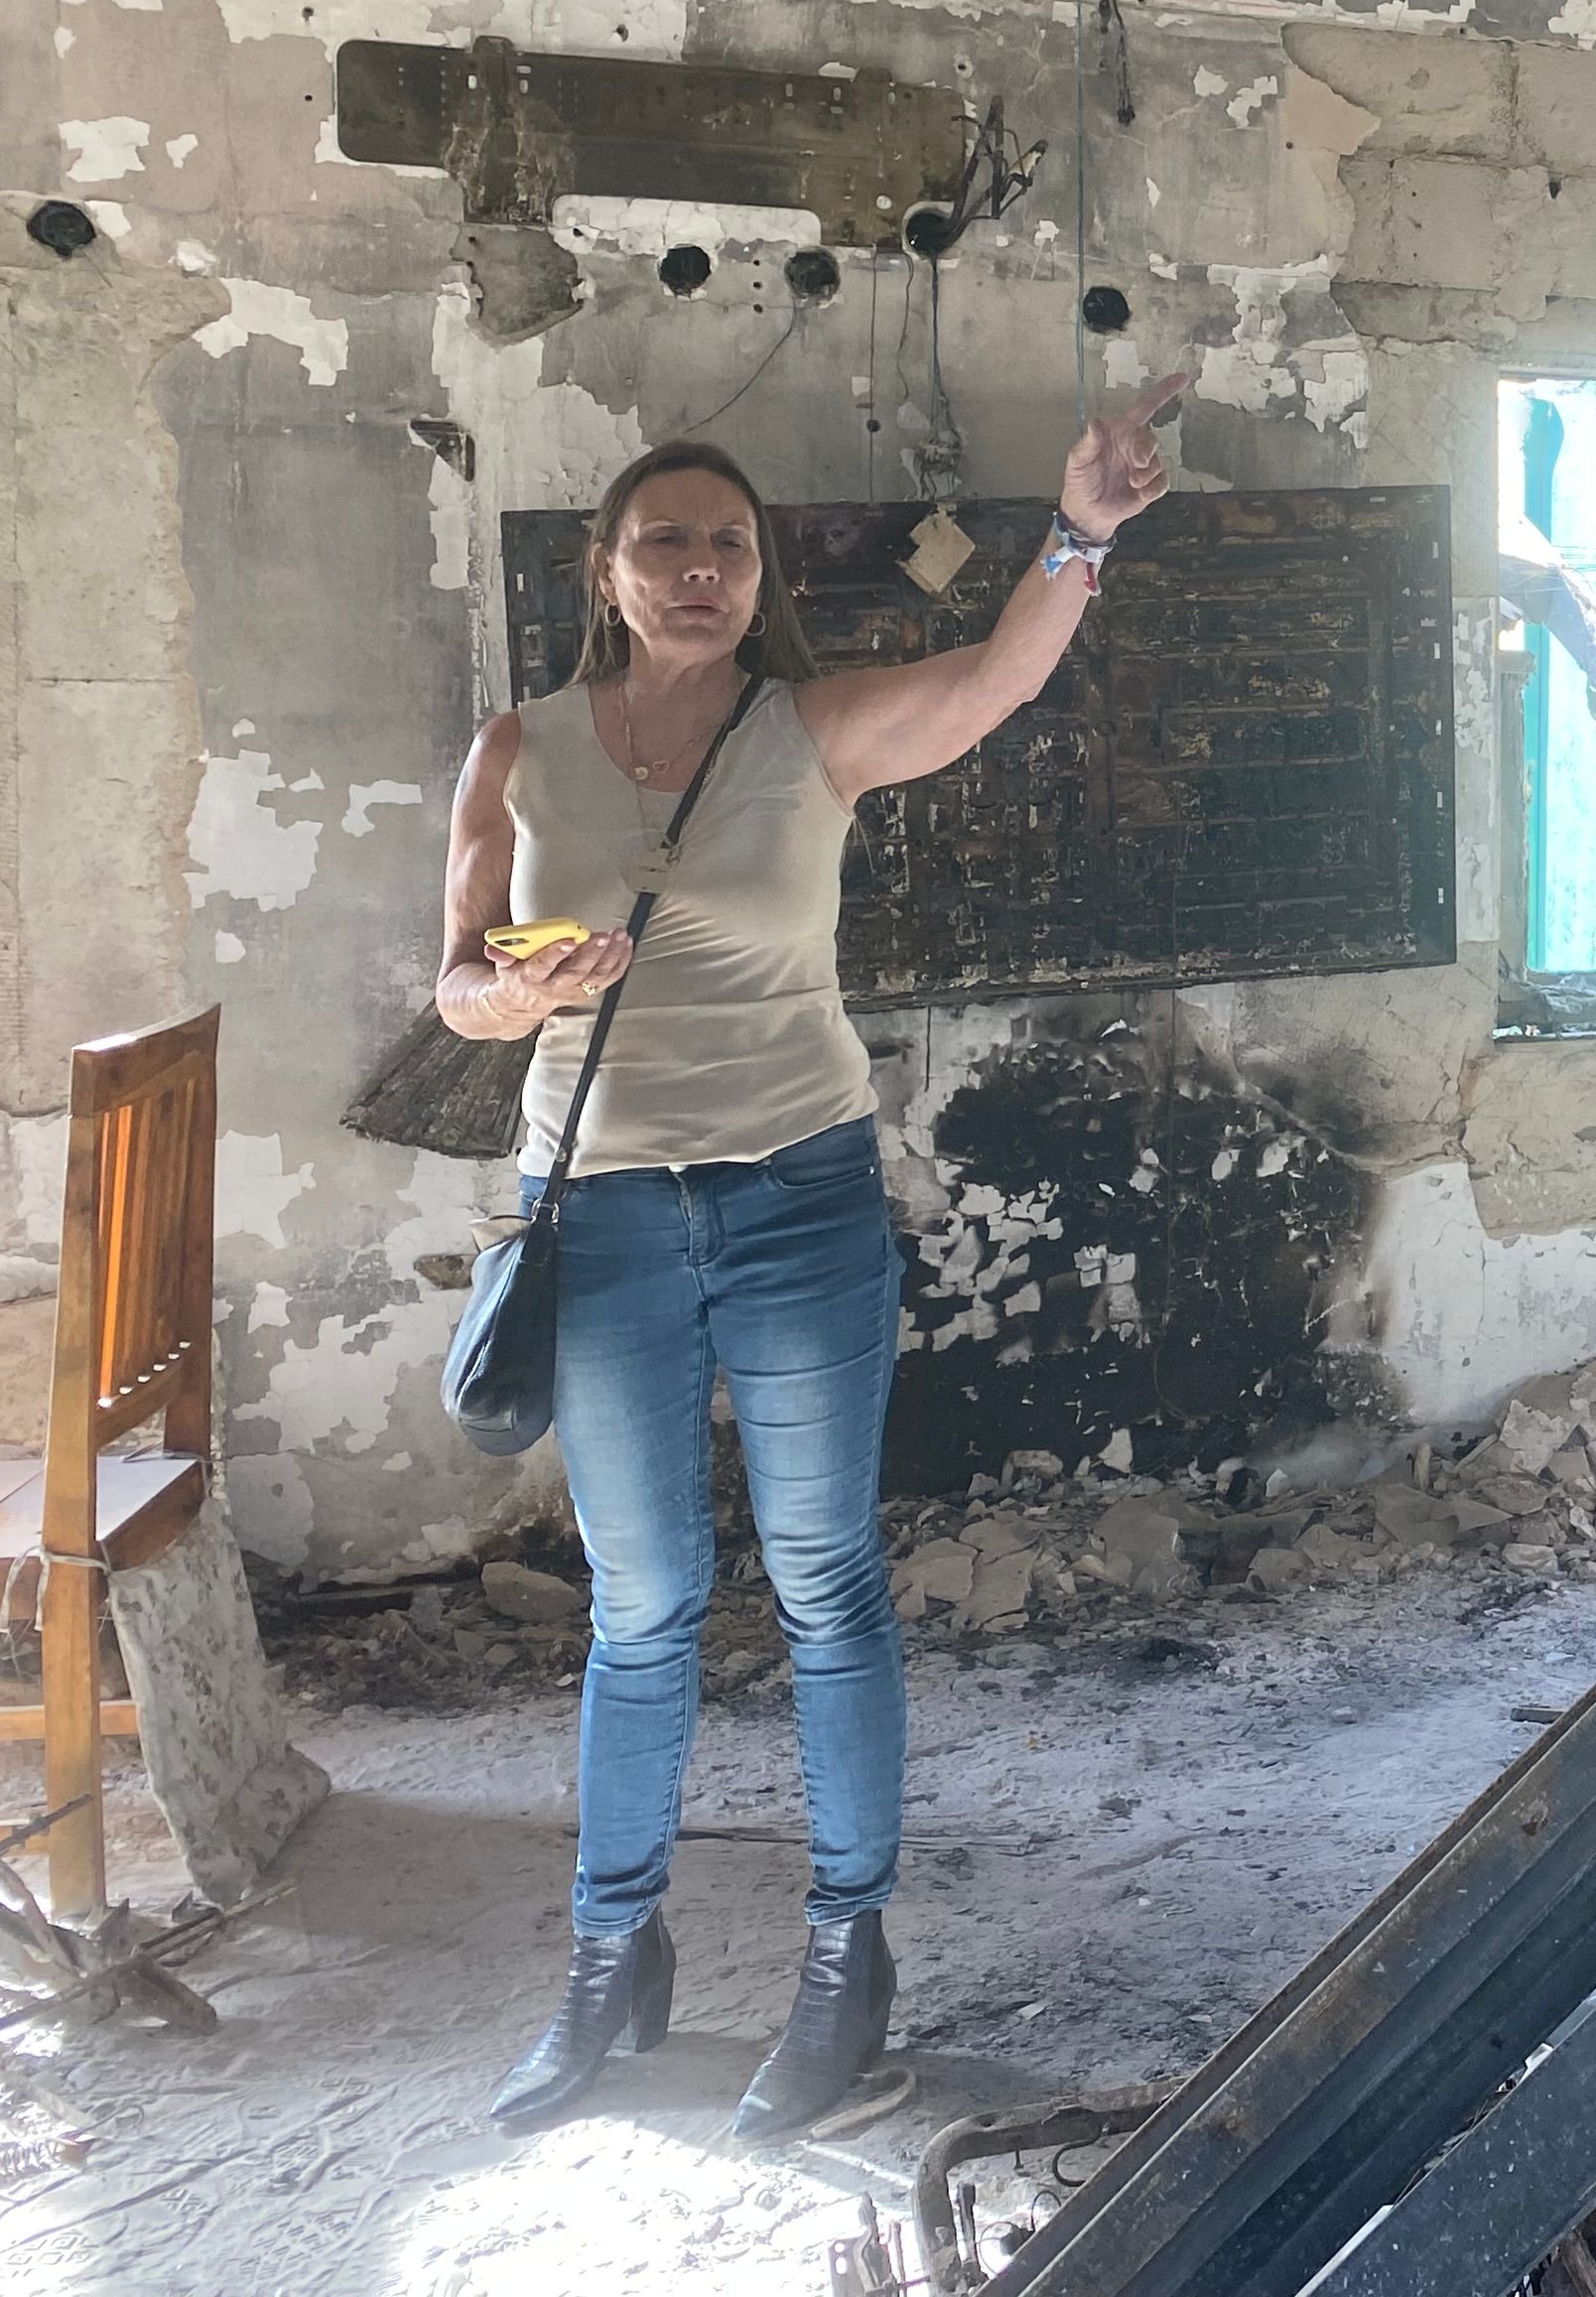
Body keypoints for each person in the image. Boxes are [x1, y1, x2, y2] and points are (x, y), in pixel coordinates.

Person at [433, 375, 1189, 2141]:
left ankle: (849, 1963)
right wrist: (517, 990)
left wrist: (1076, 532)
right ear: (606, 573)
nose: (695, 566)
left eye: (725, 542)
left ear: (754, 572)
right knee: (644, 1608)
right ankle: (610, 1963)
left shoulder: (815, 728)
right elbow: (455, 982)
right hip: (600, 1215)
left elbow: (996, 678)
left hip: (796, 1201)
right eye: (661, 542)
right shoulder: (515, 746)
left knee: (831, 1585)